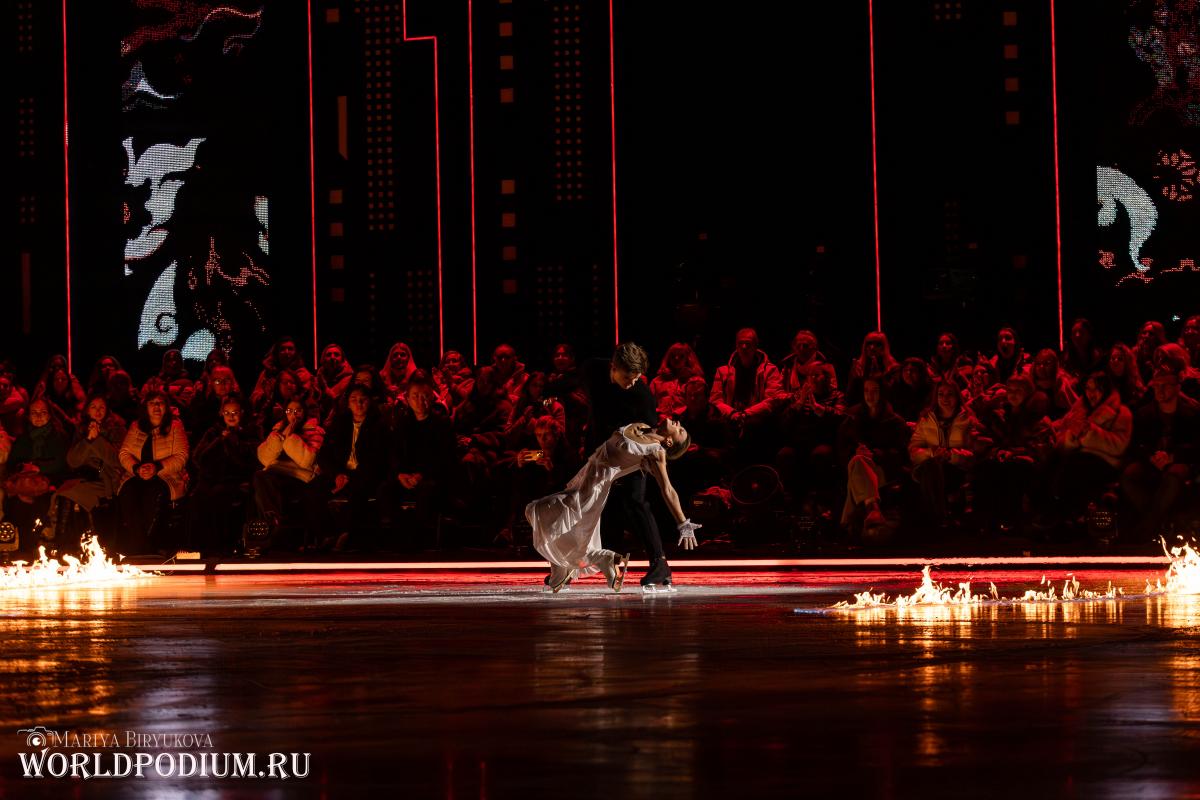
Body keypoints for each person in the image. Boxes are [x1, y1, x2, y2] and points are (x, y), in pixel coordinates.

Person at [527, 419, 699, 592]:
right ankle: (569, 570)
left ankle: (601, 559)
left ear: (669, 442)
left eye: (680, 430)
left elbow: (667, 489)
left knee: (537, 511)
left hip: (591, 491)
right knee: (565, 531)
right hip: (582, 480)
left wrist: (683, 523)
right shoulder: (643, 427)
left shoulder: (655, 451)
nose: (678, 423)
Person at [586, 342, 676, 587]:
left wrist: (661, 442)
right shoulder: (593, 370)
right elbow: (569, 380)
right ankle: (578, 564)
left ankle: (660, 564)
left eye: (636, 378)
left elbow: (650, 431)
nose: (632, 383)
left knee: (635, 501)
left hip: (630, 454)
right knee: (590, 503)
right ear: (613, 368)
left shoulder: (641, 394)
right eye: (627, 377)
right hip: (599, 449)